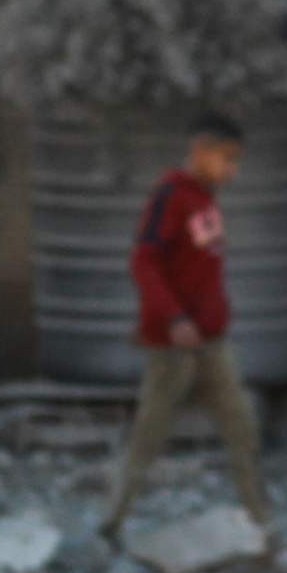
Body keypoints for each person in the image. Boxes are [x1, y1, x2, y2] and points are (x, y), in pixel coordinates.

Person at [101, 113, 267, 543]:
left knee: (241, 429)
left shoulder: (204, 200)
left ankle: (259, 522)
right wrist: (173, 317)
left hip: (211, 340)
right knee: (149, 437)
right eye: (227, 158)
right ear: (201, 152)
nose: (233, 169)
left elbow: (203, 266)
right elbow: (144, 260)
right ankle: (112, 522)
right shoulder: (171, 195)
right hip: (175, 345)